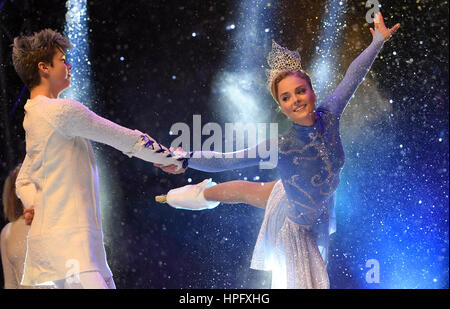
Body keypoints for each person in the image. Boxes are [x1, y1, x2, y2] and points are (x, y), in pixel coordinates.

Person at [157, 12, 400, 289]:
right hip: (298, 231)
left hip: (307, 206)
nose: (295, 100)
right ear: (281, 106)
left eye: (300, 91)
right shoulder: (282, 145)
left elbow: (353, 76)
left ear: (312, 92)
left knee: (246, 191)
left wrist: (377, 41)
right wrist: (185, 158)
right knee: (240, 192)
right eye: (286, 97)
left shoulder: (330, 115)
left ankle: (186, 195)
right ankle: (186, 194)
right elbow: (226, 160)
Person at [12, 28, 187, 289]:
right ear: (43, 67)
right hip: (71, 253)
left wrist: (34, 204)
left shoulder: (33, 116)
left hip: (51, 255)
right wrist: (172, 158)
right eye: (62, 60)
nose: (69, 65)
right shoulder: (60, 112)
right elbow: (126, 139)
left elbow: (23, 179)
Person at [1, 165, 55, 288]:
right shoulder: (8, 232)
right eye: (24, 183)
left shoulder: (55, 221)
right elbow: (10, 283)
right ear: (16, 190)